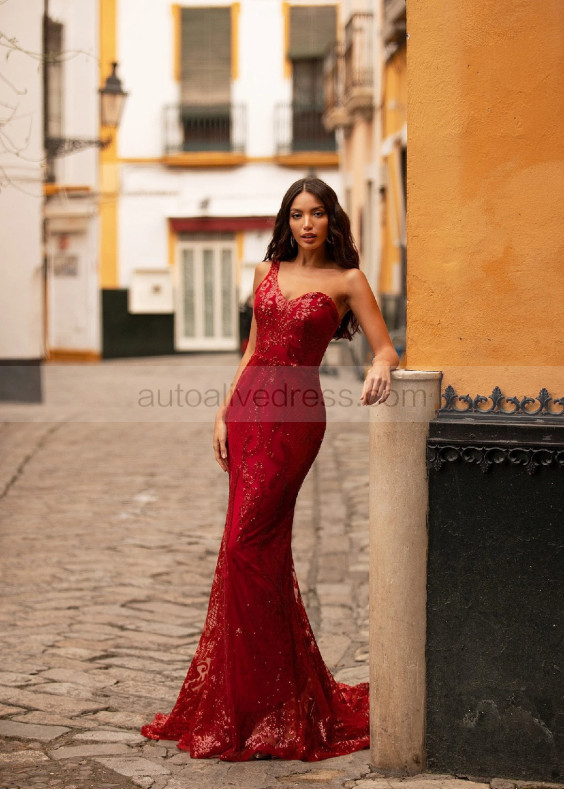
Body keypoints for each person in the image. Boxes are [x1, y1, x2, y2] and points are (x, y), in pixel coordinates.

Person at [140, 177, 399, 761]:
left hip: (297, 417)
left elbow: (385, 347)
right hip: (249, 409)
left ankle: (274, 703)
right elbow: (253, 348)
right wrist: (222, 411)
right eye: (297, 214)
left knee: (243, 544)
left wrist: (380, 368)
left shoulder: (347, 281)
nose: (307, 224)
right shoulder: (265, 272)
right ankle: (261, 699)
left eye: (317, 215)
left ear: (332, 221)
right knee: (256, 554)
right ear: (287, 221)